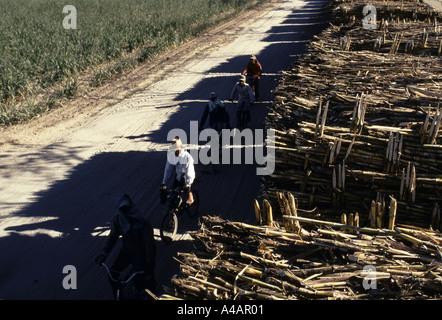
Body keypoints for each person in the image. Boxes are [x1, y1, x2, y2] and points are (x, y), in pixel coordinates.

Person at [95, 194, 156, 300]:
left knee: (143, 282)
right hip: (127, 252)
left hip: (141, 254)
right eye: (123, 209)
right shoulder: (118, 221)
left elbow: (150, 245)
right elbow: (112, 238)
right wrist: (104, 253)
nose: (126, 212)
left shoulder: (144, 224)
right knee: (112, 275)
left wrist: (149, 263)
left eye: (127, 208)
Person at [160, 138, 195, 205]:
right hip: (178, 175)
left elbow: (188, 171)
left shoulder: (186, 157)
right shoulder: (171, 155)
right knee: (172, 193)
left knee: (183, 190)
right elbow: (168, 169)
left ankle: (190, 196)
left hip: (186, 175)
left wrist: (187, 184)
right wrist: (164, 182)